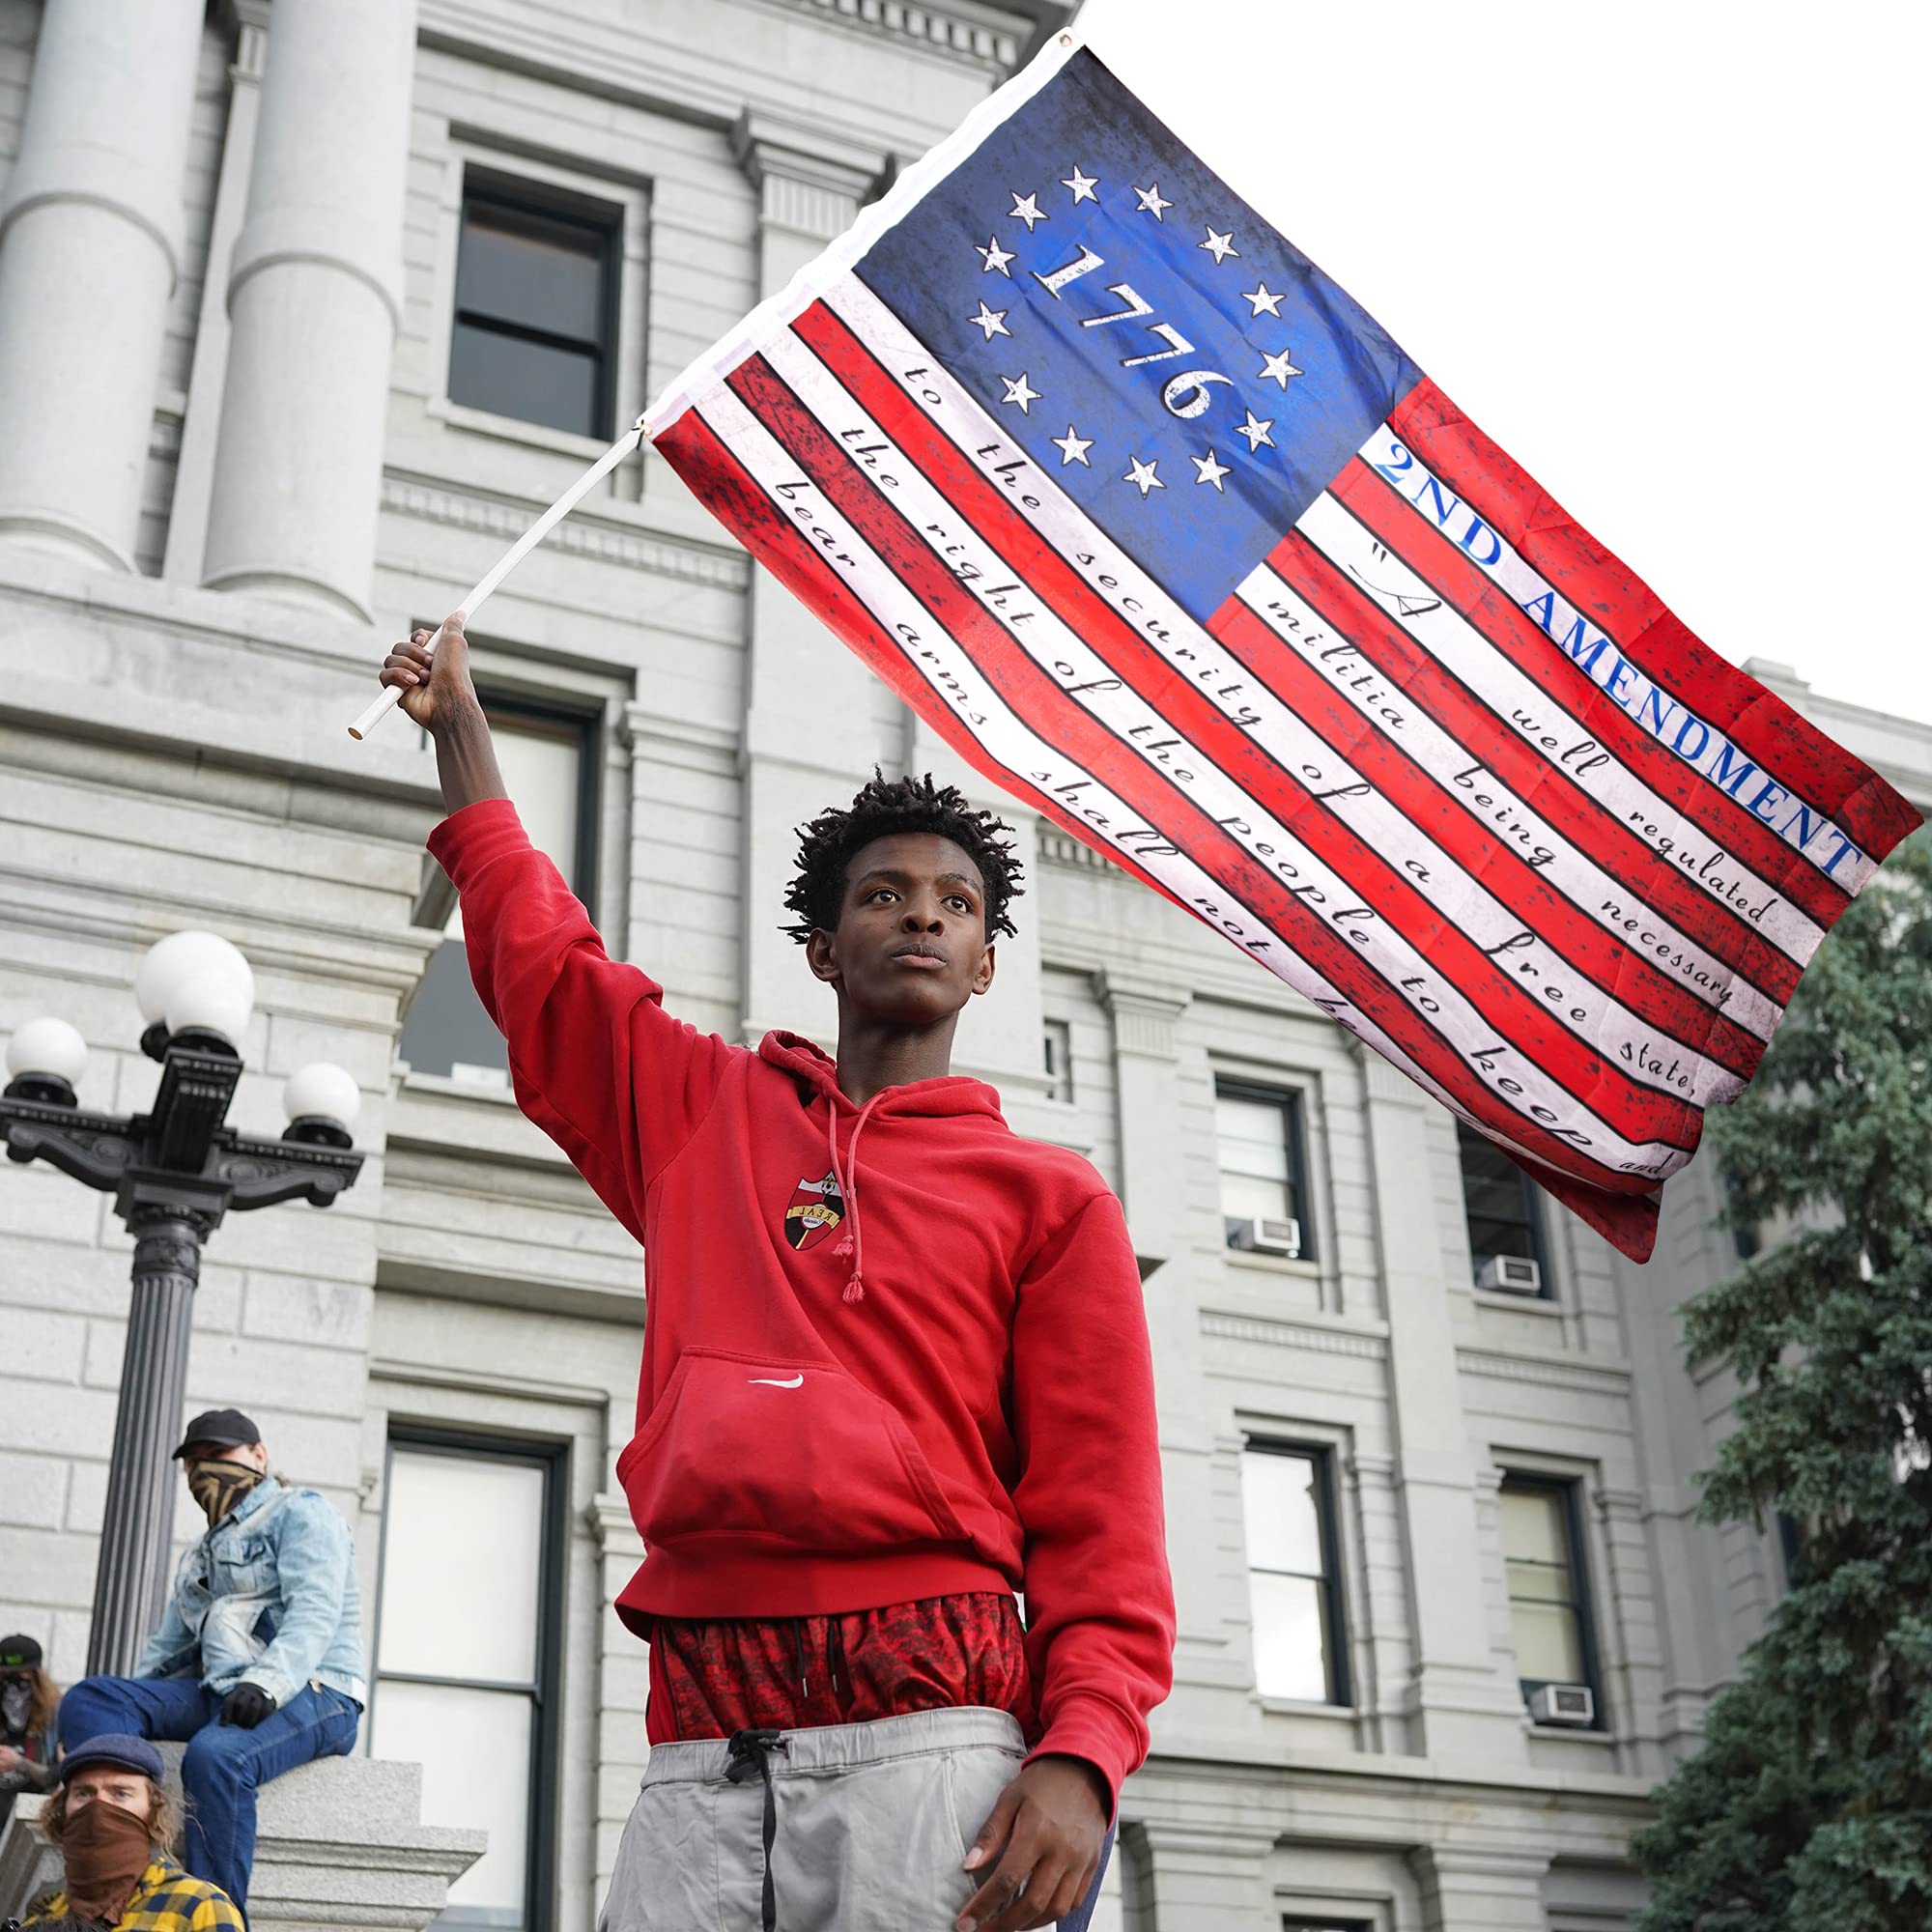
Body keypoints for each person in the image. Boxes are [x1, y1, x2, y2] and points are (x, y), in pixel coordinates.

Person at [380, 618, 1175, 1932]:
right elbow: (548, 971)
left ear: (984, 963)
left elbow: (1106, 1526)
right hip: (703, 1753)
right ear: (820, 948)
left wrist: (1084, 1753)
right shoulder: (705, 1114)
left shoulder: (1056, 1201)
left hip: (942, 1749)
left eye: (954, 904)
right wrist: (465, 735)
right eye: (882, 893)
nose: (920, 911)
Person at [58, 1410, 362, 1920]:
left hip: (316, 1690)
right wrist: (109, 1734)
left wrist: (267, 1683)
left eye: (220, 1456)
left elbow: (316, 1609)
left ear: (258, 1456)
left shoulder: (303, 1512)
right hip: (221, 1691)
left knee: (217, 1756)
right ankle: (108, 1866)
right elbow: (166, 1652)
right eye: (195, 1463)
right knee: (95, 1697)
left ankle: (215, 1913)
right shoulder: (199, 1556)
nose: (206, 1471)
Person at [19, 1732, 242, 1930]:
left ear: (154, 1809)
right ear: (63, 1809)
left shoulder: (197, 1905)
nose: (98, 1807)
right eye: (84, 1793)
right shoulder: (42, 1916)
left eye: (121, 1794)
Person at [0, 1634, 60, 1832]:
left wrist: (19, 1763)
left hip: (28, 1827)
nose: (11, 1687)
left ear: (36, 1678)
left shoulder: (54, 1717)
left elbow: (58, 1775)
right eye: (5, 1677)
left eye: (19, 1678)